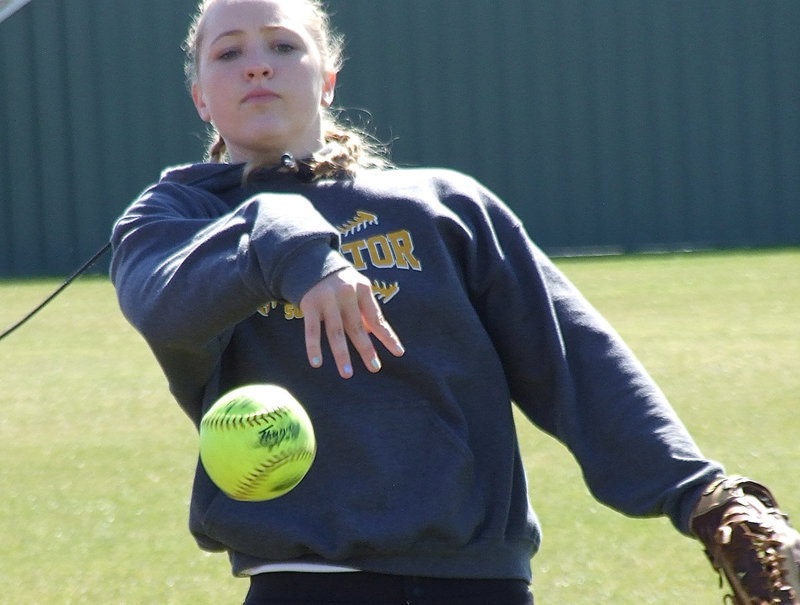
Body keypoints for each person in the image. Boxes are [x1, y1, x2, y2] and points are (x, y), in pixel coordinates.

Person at [109, 1, 798, 604]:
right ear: (200, 94)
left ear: (328, 78)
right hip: (303, 575)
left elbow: (576, 364)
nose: (257, 64)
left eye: (283, 45)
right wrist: (294, 252)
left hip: (475, 576)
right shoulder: (175, 221)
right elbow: (164, 307)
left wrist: (702, 496)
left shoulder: (443, 205)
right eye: (228, 52)